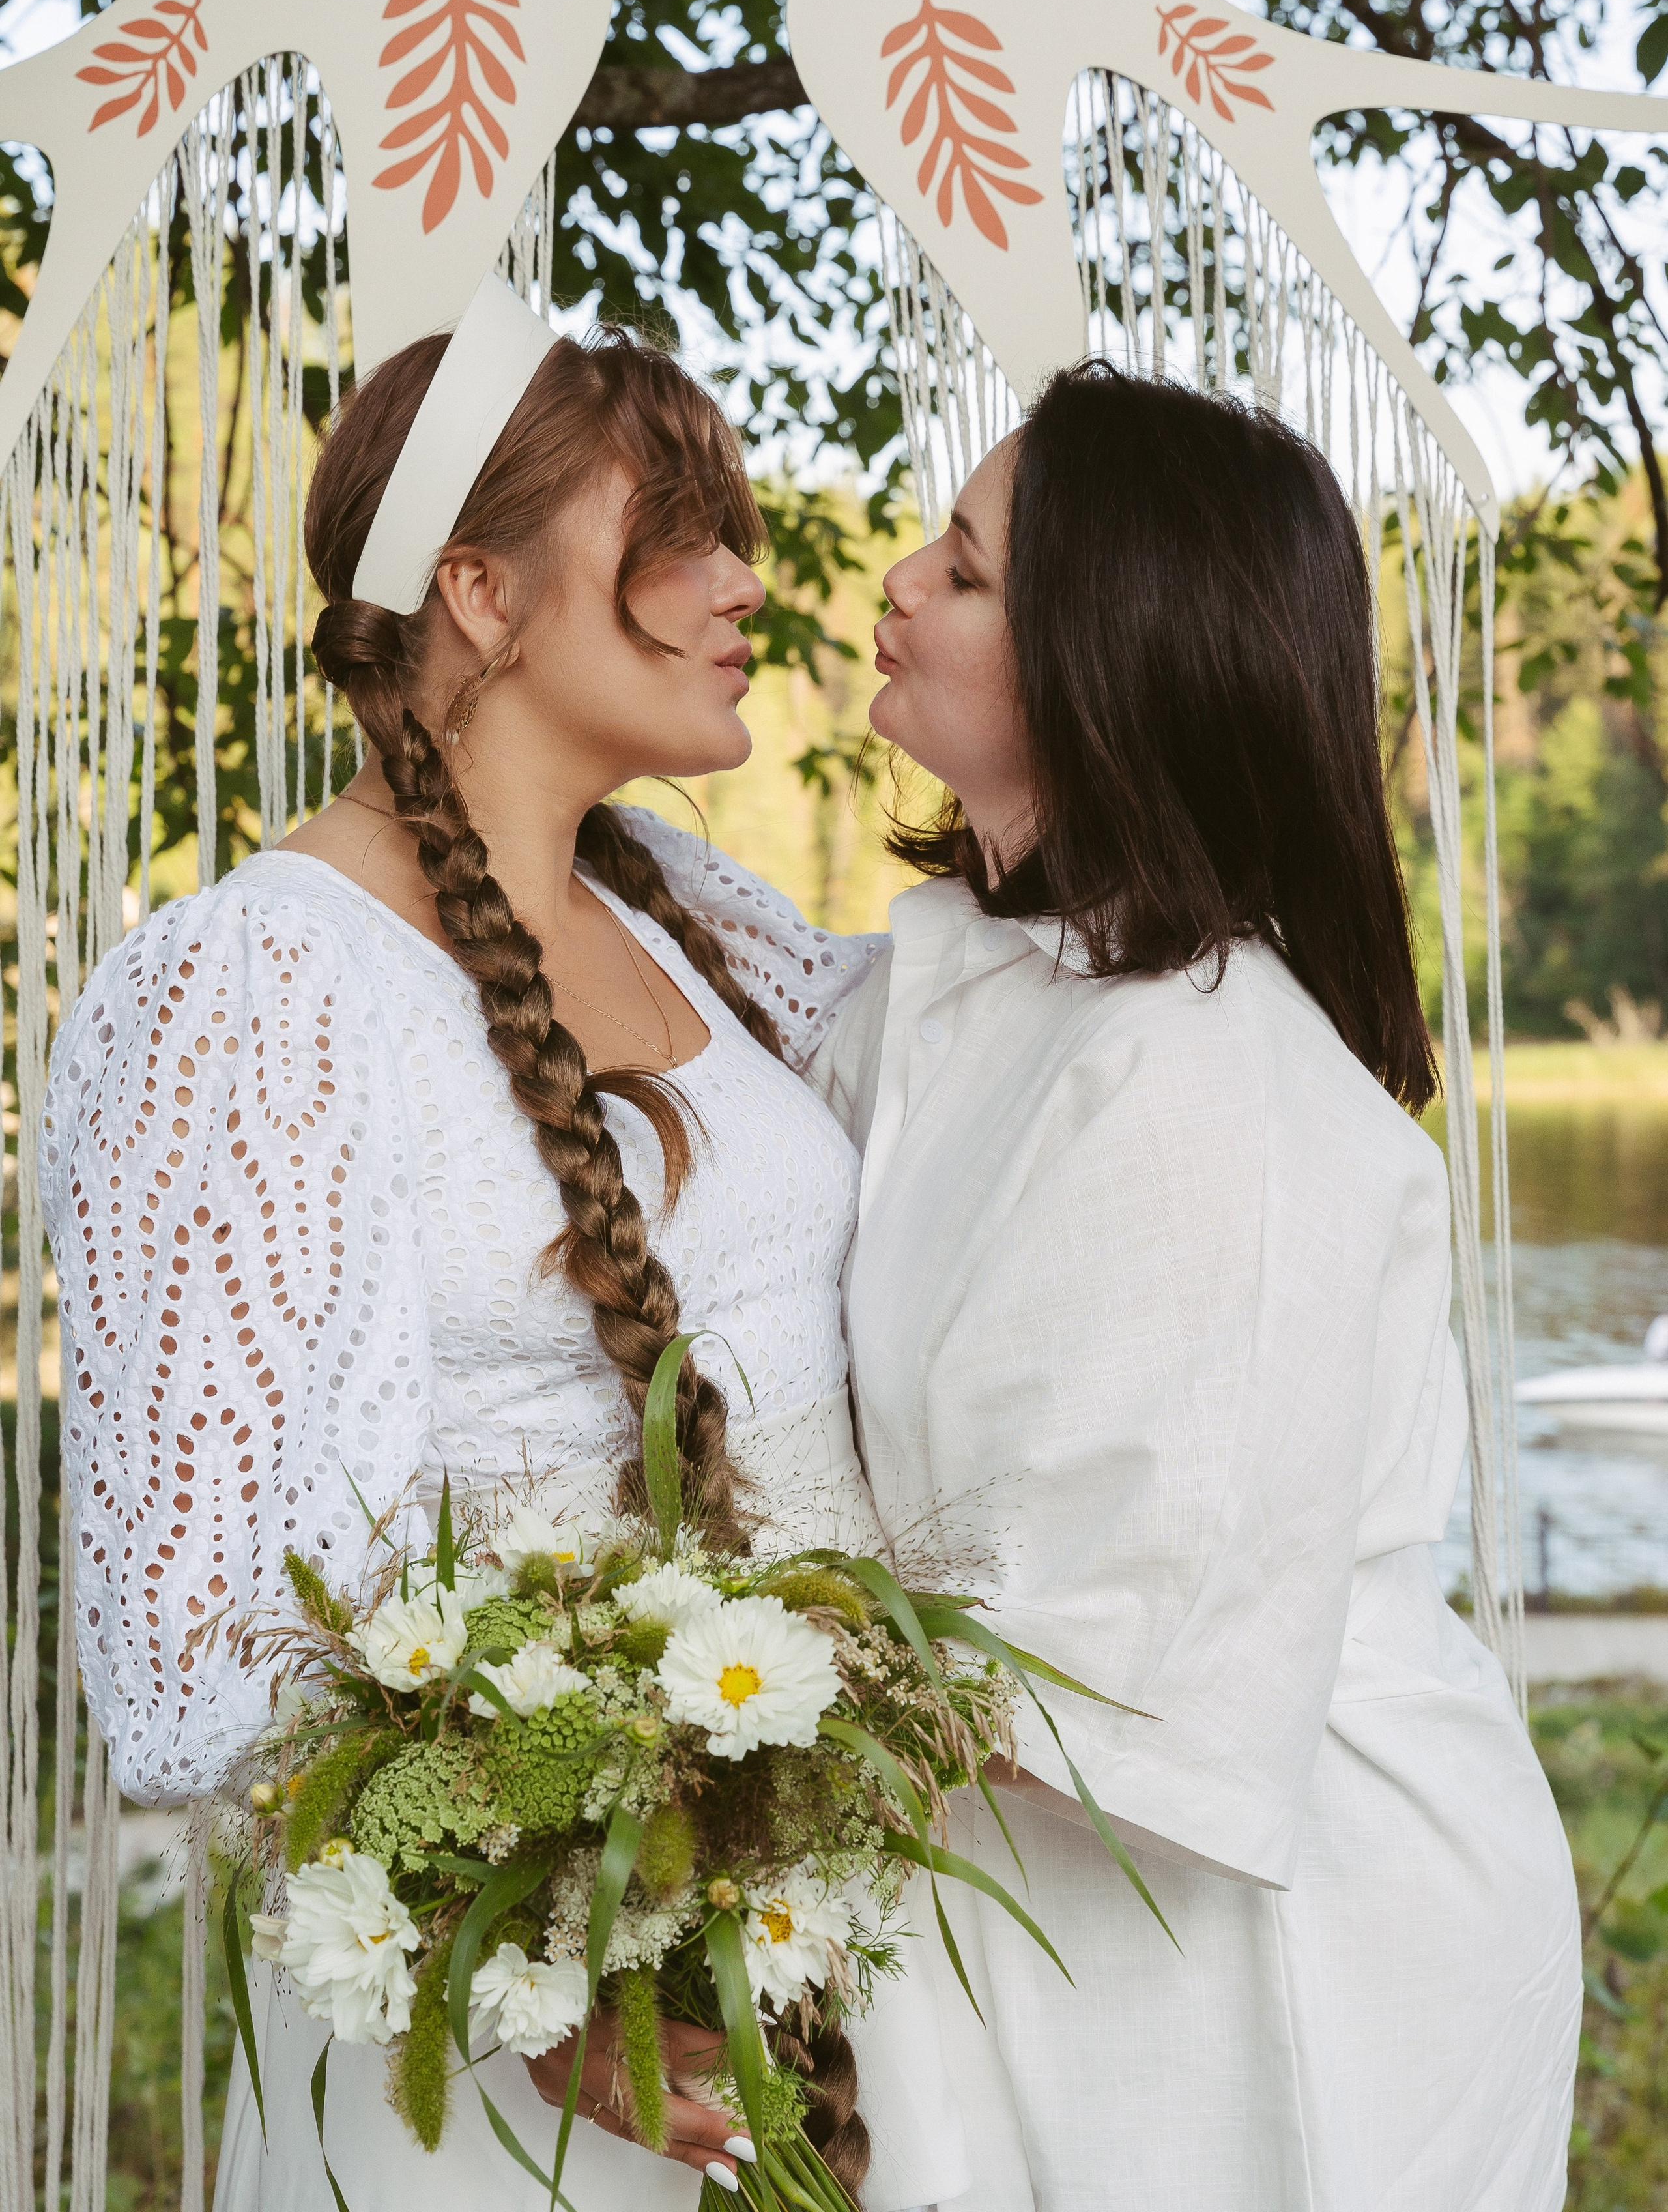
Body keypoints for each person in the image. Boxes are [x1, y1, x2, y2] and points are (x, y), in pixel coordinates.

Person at [40, 279, 963, 2212]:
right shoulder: (251, 990)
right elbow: (202, 1652)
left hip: (817, 1956)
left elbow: (997, 1061)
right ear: (479, 588)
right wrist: (546, 1979)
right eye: (679, 534)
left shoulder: (681, 902)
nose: (741, 587)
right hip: (521, 2040)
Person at [802, 362, 1583, 2211]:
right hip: (1062, 1859)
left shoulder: (1196, 1076)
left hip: (1275, 1907)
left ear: (1112, 651)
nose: (901, 580)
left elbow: (1108, 1612)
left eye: (970, 569)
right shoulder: (995, 986)